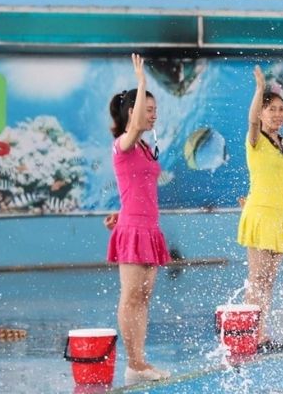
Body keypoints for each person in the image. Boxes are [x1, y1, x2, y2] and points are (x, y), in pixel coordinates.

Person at [104, 53, 172, 384]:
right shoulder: (124, 144)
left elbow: (135, 186)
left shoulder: (144, 148)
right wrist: (142, 82)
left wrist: (119, 211)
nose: (153, 113)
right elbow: (129, 136)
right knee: (130, 296)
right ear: (132, 113)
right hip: (133, 230)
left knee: (144, 297)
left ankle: (139, 362)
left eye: (155, 108)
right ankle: (133, 363)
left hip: (148, 228)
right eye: (148, 108)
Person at [236, 64, 283, 352]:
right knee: (256, 279)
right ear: (260, 114)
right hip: (260, 215)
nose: (277, 114)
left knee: (268, 282)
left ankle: (261, 335)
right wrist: (260, 90)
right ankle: (249, 336)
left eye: (281, 109)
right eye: (271, 109)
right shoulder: (256, 140)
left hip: (277, 217)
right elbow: (250, 123)